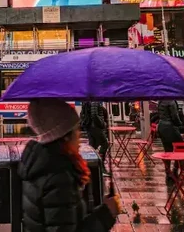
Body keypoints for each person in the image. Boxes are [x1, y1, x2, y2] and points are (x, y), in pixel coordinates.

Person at [20, 99, 121, 232]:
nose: (79, 136)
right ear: (65, 136)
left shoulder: (40, 165)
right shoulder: (58, 177)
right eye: (76, 130)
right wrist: (106, 214)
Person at [156, 100, 184, 182]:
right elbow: (174, 116)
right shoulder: (171, 102)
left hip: (162, 126)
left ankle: (168, 172)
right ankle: (175, 170)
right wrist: (180, 124)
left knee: (167, 150)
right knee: (181, 148)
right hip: (170, 127)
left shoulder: (161, 101)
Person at [80, 101, 109, 170]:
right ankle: (101, 165)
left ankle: (89, 166)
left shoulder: (87, 101)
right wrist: (102, 123)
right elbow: (94, 115)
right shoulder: (94, 100)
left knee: (92, 146)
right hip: (95, 127)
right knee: (105, 144)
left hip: (90, 127)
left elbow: (83, 113)